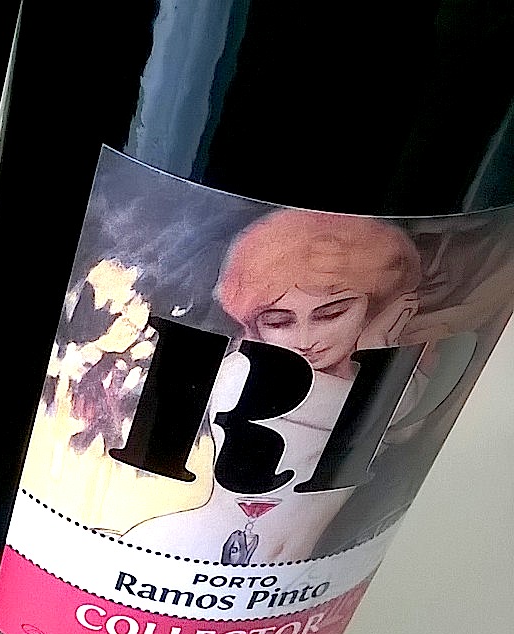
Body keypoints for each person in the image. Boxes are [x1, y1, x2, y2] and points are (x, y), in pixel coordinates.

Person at [122, 209, 422, 563]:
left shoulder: (366, 385)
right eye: (279, 321)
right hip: (182, 555)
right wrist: (377, 345)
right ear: (254, 322)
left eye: (330, 314)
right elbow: (386, 412)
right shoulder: (243, 373)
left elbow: (405, 425)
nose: (306, 340)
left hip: (287, 576)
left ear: (374, 305)